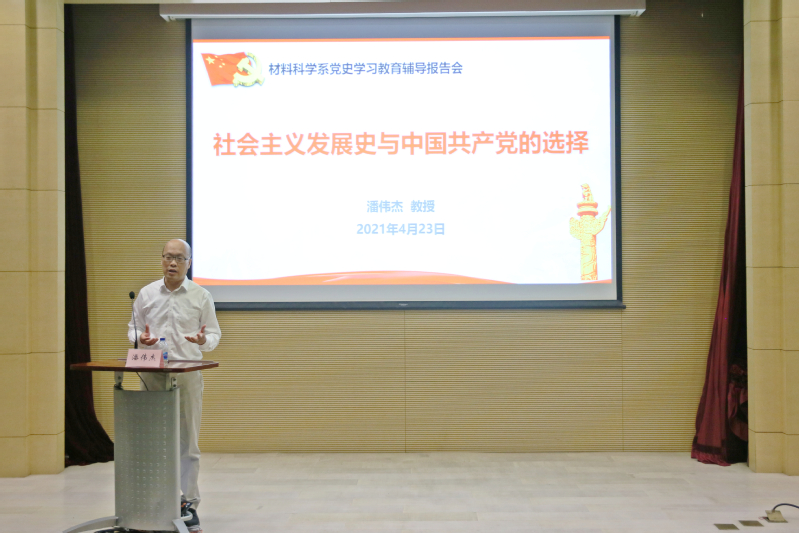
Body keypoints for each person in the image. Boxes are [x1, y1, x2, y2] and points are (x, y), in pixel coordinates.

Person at [128, 239, 221, 532]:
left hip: (187, 373)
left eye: (179, 258)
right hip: (152, 373)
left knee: (187, 442)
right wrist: (141, 339)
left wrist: (203, 340)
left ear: (188, 263)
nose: (172, 263)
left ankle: (189, 505)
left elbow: (214, 335)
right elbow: (133, 328)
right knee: (153, 440)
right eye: (168, 257)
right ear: (161, 259)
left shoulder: (201, 295)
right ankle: (156, 502)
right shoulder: (146, 293)